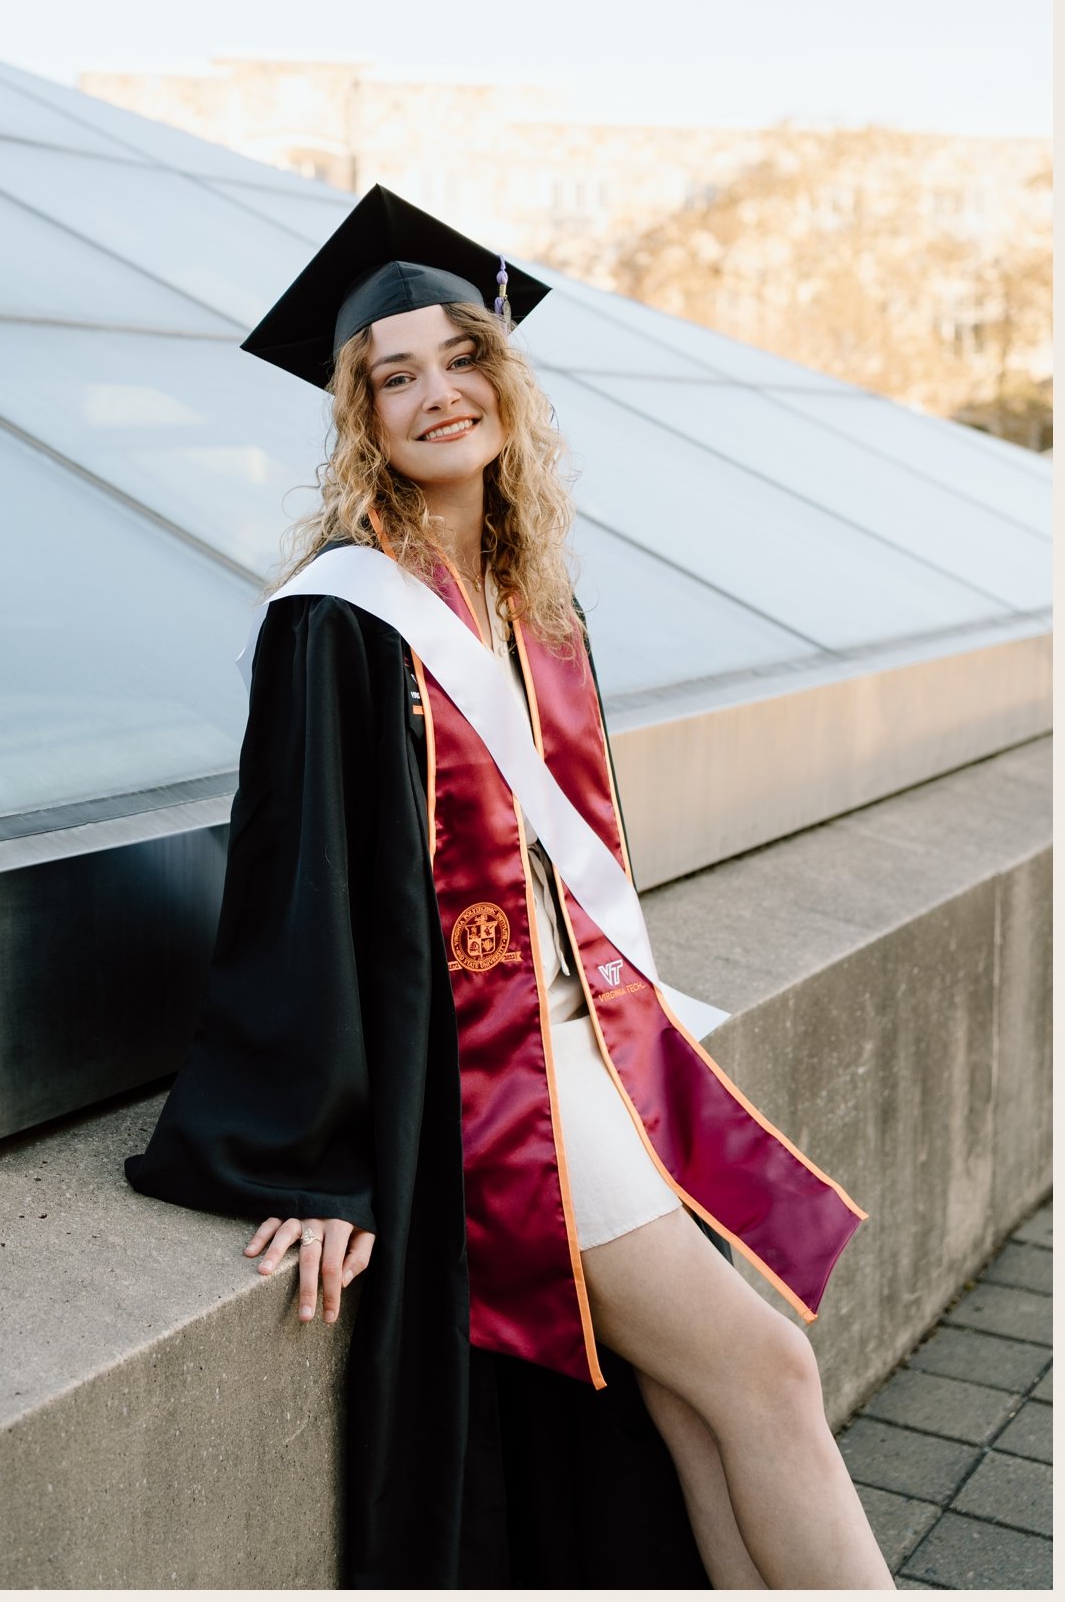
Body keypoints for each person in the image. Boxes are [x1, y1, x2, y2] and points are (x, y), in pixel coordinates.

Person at [124, 188, 887, 1589]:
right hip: (492, 1093)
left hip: (594, 1049)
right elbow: (294, 902)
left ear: (503, 379)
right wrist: (320, 1154)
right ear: (362, 418)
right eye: (393, 376)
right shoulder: (337, 621)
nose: (435, 394)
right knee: (766, 1368)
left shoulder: (540, 602)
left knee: (701, 1403)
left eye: (457, 359)